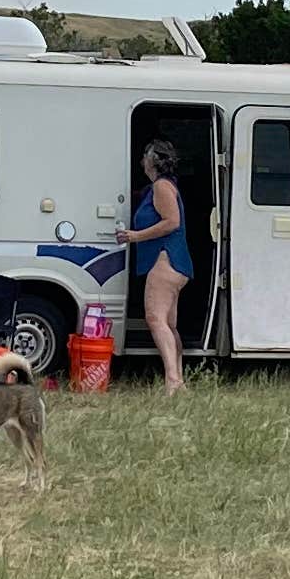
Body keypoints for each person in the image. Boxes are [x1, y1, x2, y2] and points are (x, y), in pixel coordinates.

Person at [119, 137, 193, 392]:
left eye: (145, 156)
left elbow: (172, 222)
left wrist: (135, 236)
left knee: (155, 319)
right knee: (169, 325)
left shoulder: (162, 186)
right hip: (174, 262)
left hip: (165, 259)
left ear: (152, 161)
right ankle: (178, 380)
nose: (141, 160)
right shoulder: (158, 187)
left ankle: (173, 381)